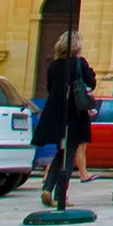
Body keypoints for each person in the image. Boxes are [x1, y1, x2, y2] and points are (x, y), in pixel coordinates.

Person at [34, 30, 95, 211]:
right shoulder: (80, 63)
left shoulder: (54, 66)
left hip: (56, 113)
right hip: (75, 113)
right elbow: (91, 83)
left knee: (61, 153)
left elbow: (50, 87)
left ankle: (48, 188)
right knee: (69, 154)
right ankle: (61, 195)